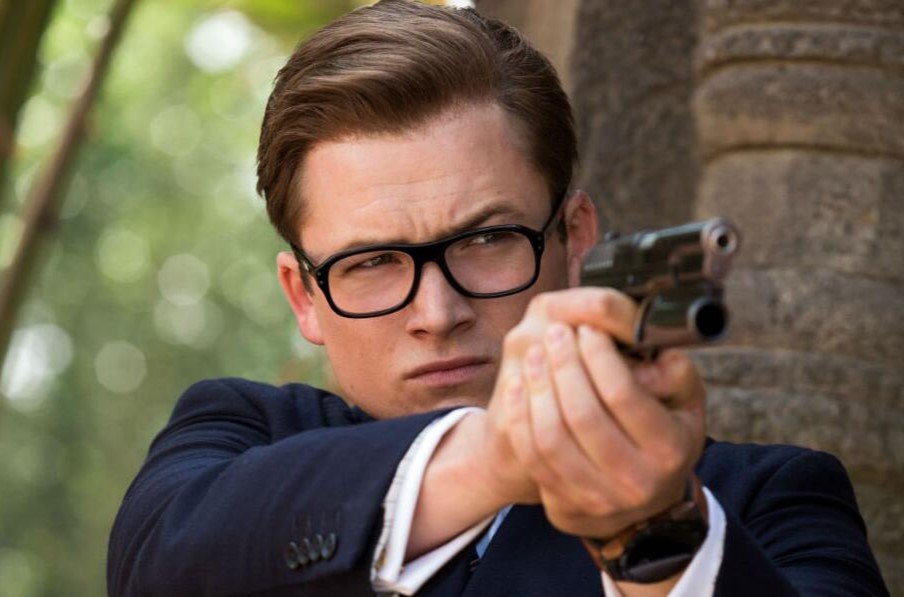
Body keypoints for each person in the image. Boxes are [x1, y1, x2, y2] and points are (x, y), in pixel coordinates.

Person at [107, 1, 889, 596]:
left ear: (576, 237)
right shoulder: (237, 439)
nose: (437, 313)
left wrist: (656, 535)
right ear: (303, 295)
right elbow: (161, 564)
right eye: (372, 262)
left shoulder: (772, 499)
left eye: (486, 240)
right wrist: (507, 453)